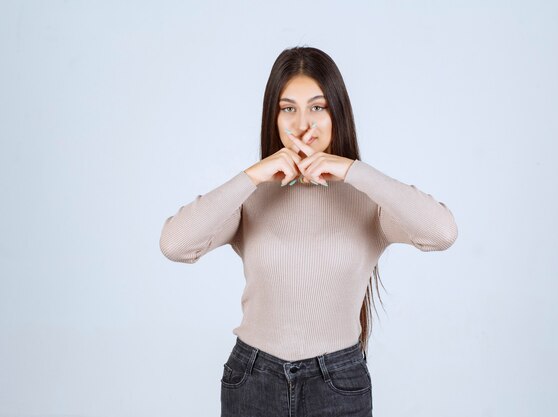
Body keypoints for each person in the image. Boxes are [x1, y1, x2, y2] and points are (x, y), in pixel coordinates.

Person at [159, 46, 458, 417]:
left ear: (338, 113)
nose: (304, 124)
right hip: (253, 380)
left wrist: (352, 171)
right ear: (273, 117)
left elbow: (441, 233)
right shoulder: (252, 197)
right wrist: (253, 175)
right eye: (288, 109)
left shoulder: (368, 199)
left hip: (337, 382)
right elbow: (176, 244)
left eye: (318, 107)